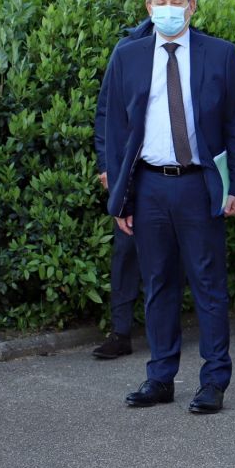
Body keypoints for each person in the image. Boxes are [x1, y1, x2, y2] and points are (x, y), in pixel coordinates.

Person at [102, 0, 235, 415]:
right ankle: (160, 376)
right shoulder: (126, 56)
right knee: (158, 284)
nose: (168, 10)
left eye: (177, 2)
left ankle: (213, 381)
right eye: (160, 2)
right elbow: (111, 127)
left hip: (198, 185)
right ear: (149, 6)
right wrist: (120, 197)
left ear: (191, 7)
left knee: (209, 285)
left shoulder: (219, 54)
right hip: (148, 186)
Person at [91, 19, 155, 359]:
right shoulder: (127, 48)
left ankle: (166, 328)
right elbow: (107, 112)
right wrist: (107, 165)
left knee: (172, 253)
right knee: (125, 251)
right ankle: (121, 332)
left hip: (175, 172)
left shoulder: (196, 46)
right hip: (132, 170)